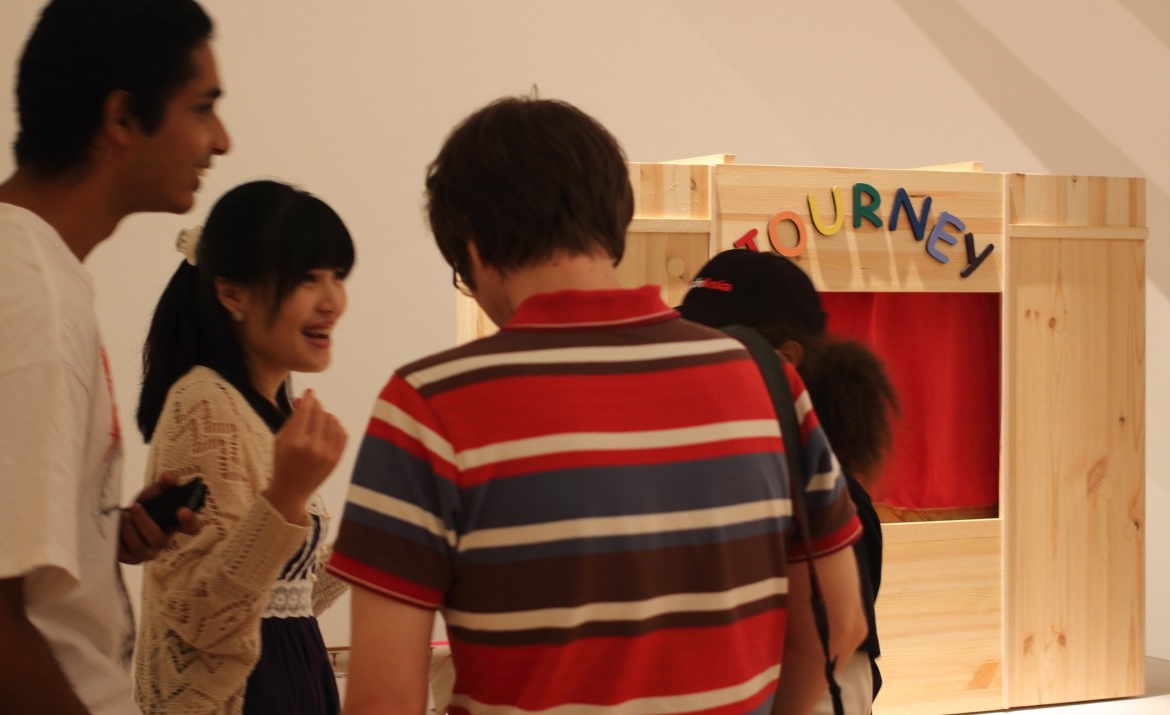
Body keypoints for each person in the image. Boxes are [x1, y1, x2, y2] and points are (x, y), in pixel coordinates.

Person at [327, 95, 867, 715]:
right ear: (614, 219)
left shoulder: (426, 407)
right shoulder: (769, 383)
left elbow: (382, 698)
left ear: (473, 249)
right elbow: (838, 621)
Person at [0, 0, 229, 712]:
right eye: (203, 108)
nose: (221, 140)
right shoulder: (33, 303)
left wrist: (91, 528)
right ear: (122, 117)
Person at [133, 180, 353, 714]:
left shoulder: (270, 410)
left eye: (337, 276)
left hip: (295, 676)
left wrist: (374, 538)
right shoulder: (204, 404)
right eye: (306, 279)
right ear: (232, 295)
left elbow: (284, 598)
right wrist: (287, 496)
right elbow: (203, 613)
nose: (333, 302)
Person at [678, 247, 900, 714]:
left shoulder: (824, 493)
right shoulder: (720, 471)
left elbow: (839, 653)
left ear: (785, 361)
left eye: (711, 343)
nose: (685, 359)